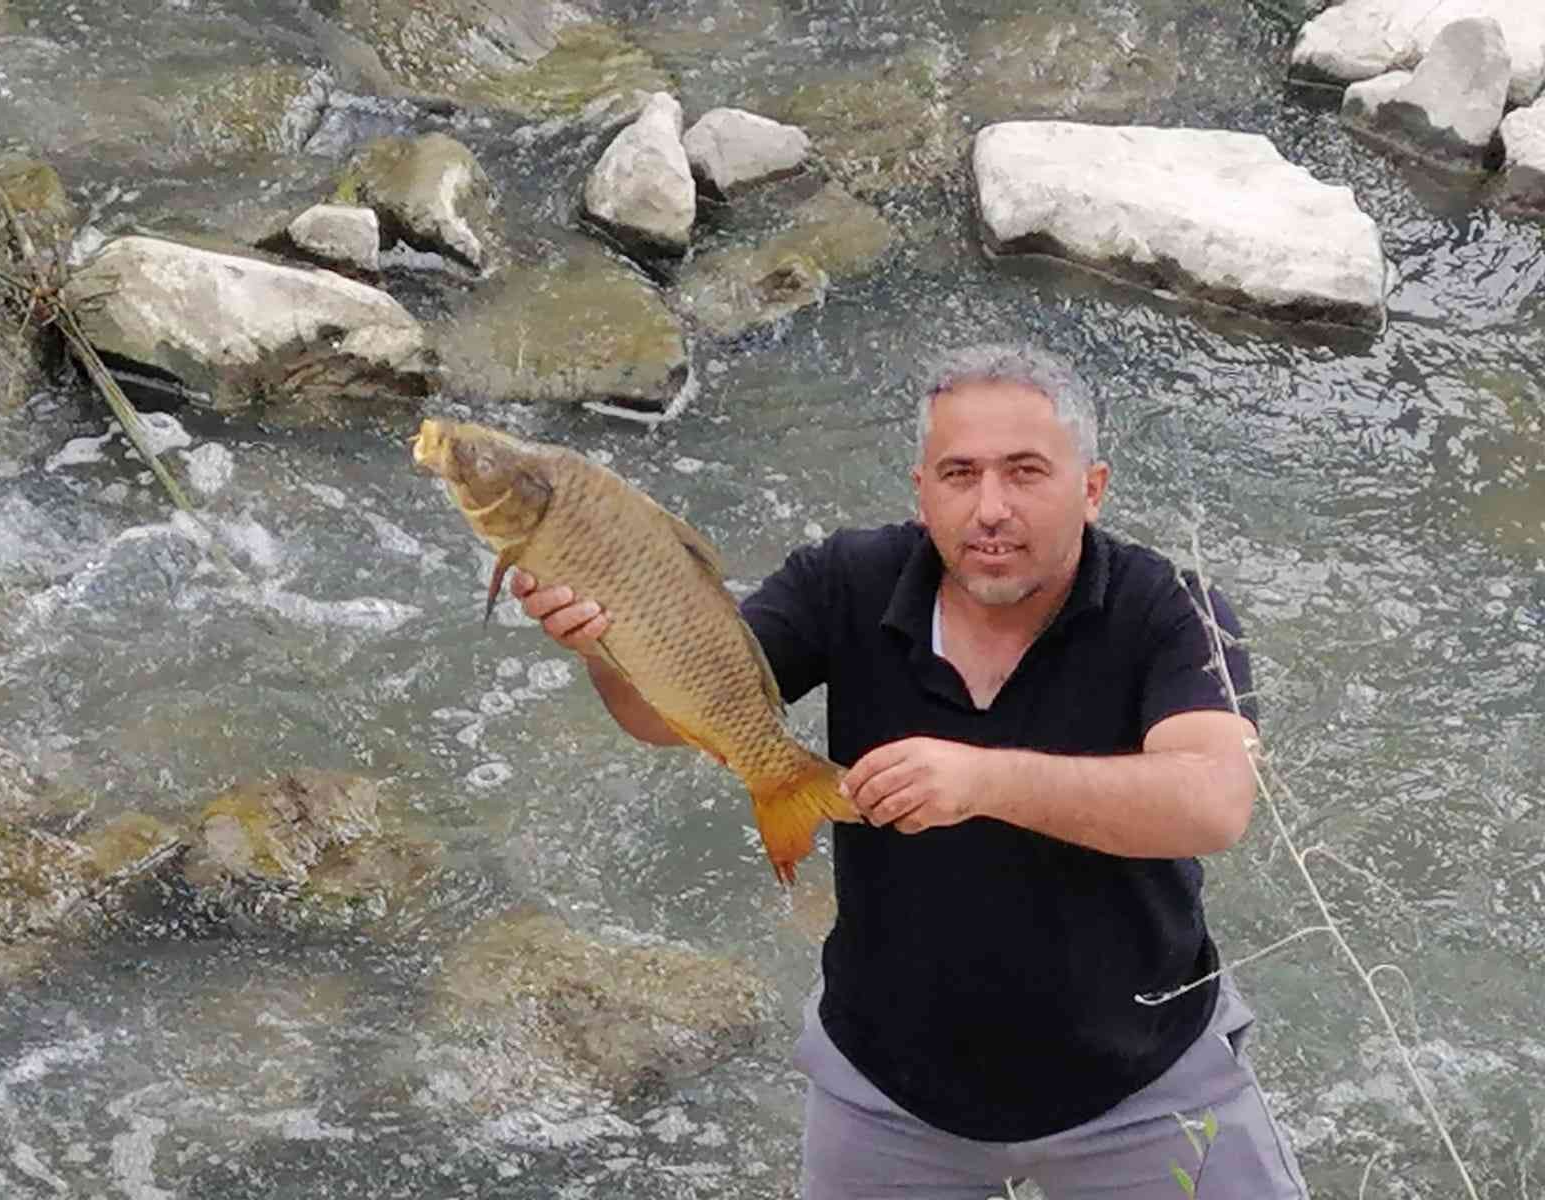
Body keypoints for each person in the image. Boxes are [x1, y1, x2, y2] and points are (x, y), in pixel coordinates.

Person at [511, 342, 1309, 1199]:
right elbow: (673, 720)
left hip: (1146, 1080)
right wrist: (607, 646)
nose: (990, 508)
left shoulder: (1171, 609)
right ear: (920, 490)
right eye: (959, 474)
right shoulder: (844, 581)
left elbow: (1214, 802)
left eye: (1026, 472)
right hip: (888, 1087)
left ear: (1092, 488)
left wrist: (983, 782)